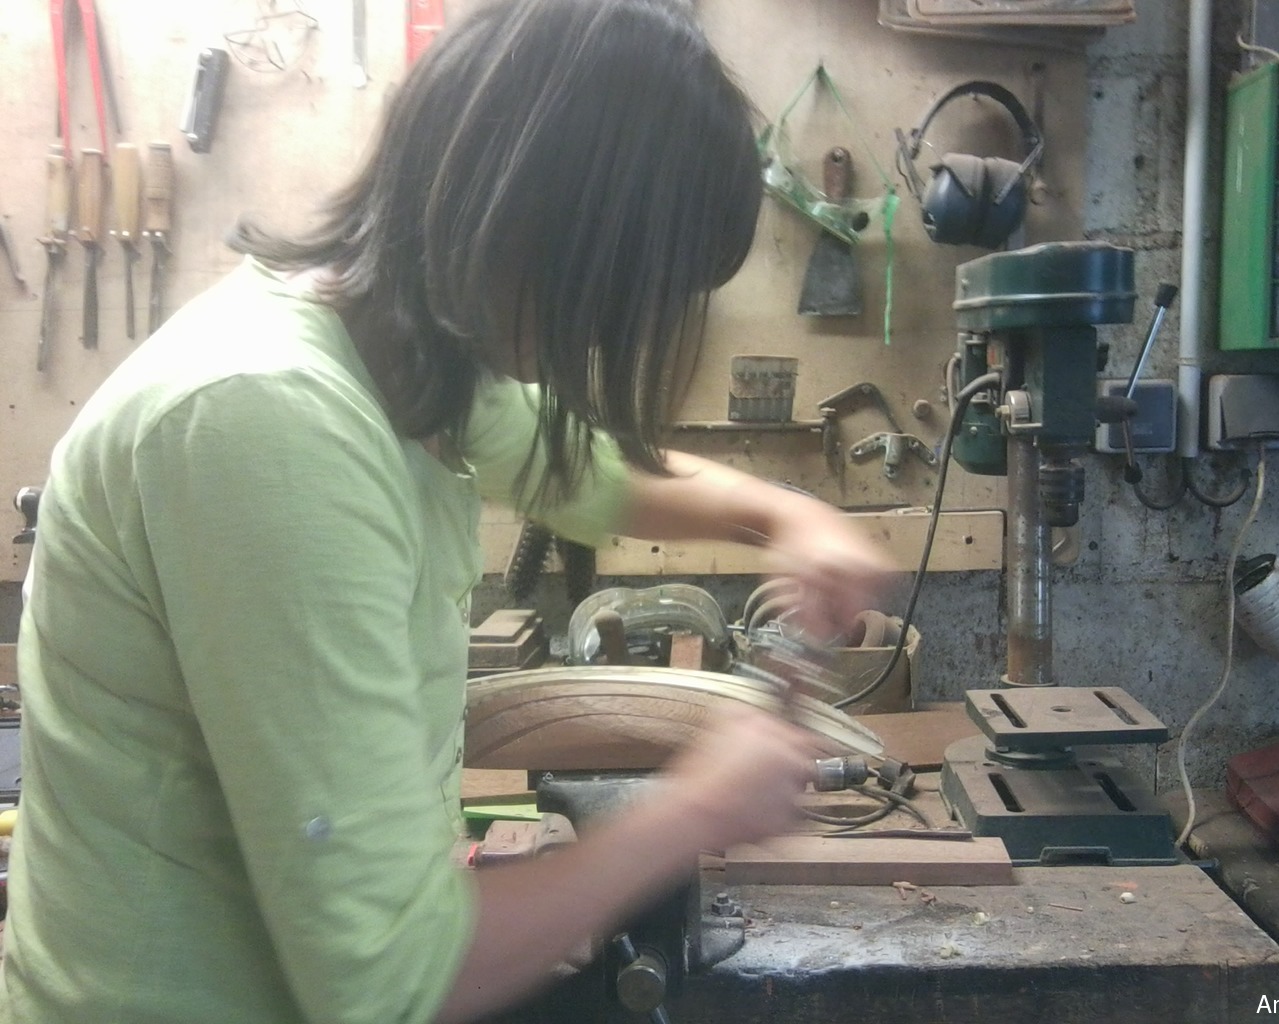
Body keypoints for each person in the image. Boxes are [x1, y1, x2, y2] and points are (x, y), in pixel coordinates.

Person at [0, 1, 893, 1021]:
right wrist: (698, 808)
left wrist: (787, 520)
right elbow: (397, 978)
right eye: (620, 295)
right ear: (528, 230)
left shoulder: (403, 353)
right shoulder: (269, 422)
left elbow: (584, 468)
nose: (604, 338)